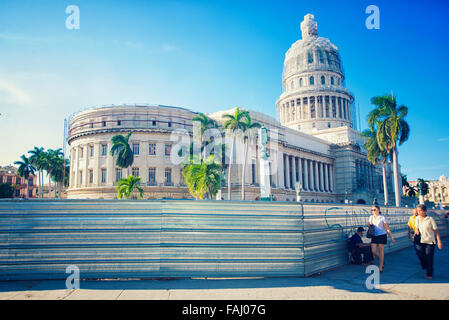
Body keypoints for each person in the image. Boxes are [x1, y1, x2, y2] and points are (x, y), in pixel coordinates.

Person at [414, 204, 443, 280]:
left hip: (429, 242)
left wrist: (439, 241)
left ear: (424, 211)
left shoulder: (430, 219)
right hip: (420, 241)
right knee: (420, 254)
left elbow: (436, 231)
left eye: (420, 211)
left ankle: (429, 273)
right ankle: (425, 266)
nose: (419, 212)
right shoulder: (417, 218)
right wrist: (416, 230)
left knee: (429, 258)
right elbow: (416, 226)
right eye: (418, 211)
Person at [368, 205, 395, 272]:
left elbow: (386, 228)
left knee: (380, 250)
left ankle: (380, 267)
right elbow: (369, 225)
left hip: (382, 235)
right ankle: (381, 260)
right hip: (374, 235)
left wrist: (391, 237)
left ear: (378, 210)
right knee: (373, 250)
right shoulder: (371, 217)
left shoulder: (382, 217)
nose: (373, 211)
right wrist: (369, 224)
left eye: (374, 210)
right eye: (372, 210)